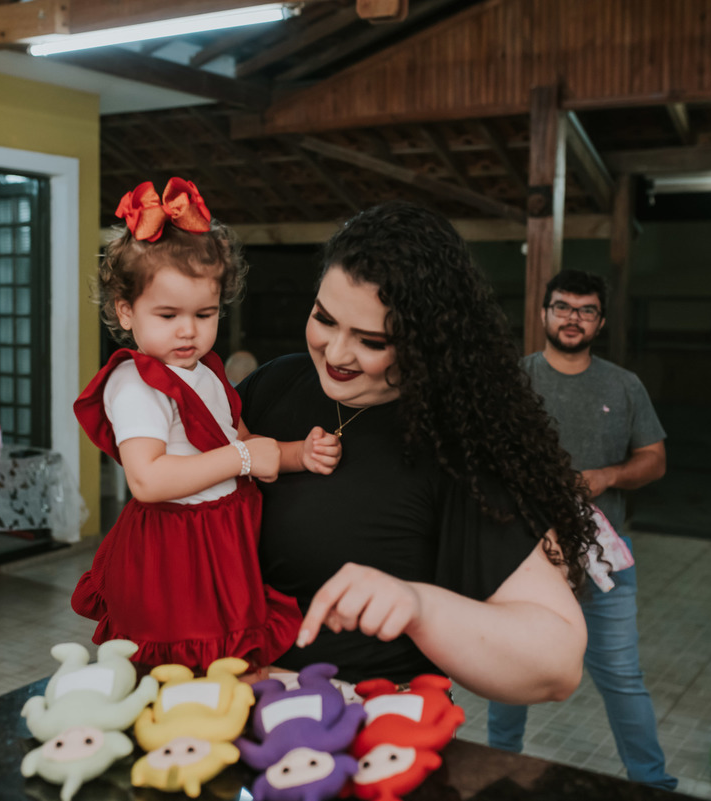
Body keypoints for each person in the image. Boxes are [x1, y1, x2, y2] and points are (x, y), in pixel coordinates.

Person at [237, 202, 597, 704]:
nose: (336, 353)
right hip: (230, 708)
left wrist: (418, 606)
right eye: (324, 318)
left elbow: (557, 664)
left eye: (371, 341)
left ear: (425, 342)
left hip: (366, 727)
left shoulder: (454, 446)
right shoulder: (275, 384)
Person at [71, 178, 341, 672]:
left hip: (220, 538)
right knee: (178, 667)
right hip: (175, 551)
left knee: (227, 663)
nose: (188, 330)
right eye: (168, 314)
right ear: (126, 311)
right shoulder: (137, 384)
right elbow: (148, 479)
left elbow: (242, 440)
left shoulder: (206, 370)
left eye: (205, 314)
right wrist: (241, 458)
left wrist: (298, 453)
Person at [486, 270, 675, 790]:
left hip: (603, 557)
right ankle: (496, 769)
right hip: (525, 555)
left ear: (601, 322)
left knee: (622, 678)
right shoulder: (514, 381)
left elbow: (654, 459)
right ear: (543, 314)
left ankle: (654, 785)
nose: (574, 318)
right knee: (513, 668)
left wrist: (607, 476)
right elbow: (481, 457)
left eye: (586, 310)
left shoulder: (624, 384)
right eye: (563, 307)